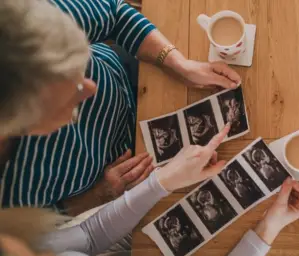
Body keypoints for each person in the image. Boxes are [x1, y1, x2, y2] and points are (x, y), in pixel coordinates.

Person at [0, 0, 241, 215]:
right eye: (70, 95)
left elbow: (114, 13)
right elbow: (42, 226)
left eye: (79, 67)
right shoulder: (9, 195)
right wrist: (96, 196)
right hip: (125, 180)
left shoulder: (26, 20)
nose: (91, 88)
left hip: (127, 73)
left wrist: (179, 65)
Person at [0, 125, 299, 256]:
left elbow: (89, 236)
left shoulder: (10, 250)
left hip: (137, 253)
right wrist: (268, 228)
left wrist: (162, 181)